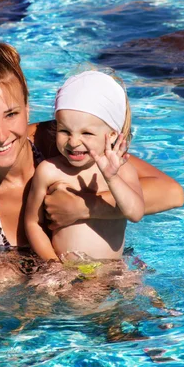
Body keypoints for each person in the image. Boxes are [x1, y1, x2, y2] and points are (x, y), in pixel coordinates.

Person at [0, 40, 184, 292]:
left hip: (98, 268)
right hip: (35, 283)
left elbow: (172, 193)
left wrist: (85, 207)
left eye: (11, 114)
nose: (0, 135)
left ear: (27, 108)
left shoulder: (62, 143)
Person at [25, 70, 143, 263]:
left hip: (112, 270)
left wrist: (112, 178)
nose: (74, 141)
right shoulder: (49, 171)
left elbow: (136, 213)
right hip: (64, 269)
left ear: (112, 135)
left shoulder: (123, 170)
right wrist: (52, 264)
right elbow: (33, 223)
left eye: (86, 133)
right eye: (64, 131)